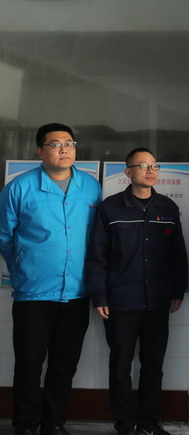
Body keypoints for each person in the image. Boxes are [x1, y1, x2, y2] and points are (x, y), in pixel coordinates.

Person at [0, 123, 102, 435]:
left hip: (76, 292)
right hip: (33, 293)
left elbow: (98, 238)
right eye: (55, 144)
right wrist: (23, 270)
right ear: (40, 151)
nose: (64, 150)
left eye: (69, 144)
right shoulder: (19, 187)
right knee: (29, 364)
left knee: (64, 363)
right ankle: (24, 424)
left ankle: (53, 422)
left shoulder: (91, 187)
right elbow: (4, 237)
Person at [85, 148, 188, 435]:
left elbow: (178, 254)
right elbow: (97, 256)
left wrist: (178, 289)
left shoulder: (167, 208)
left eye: (154, 165)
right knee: (120, 366)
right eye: (143, 166)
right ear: (128, 172)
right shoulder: (110, 208)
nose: (150, 170)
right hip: (121, 302)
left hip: (157, 302)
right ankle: (125, 423)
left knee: (153, 366)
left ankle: (149, 422)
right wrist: (99, 295)